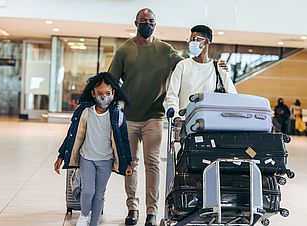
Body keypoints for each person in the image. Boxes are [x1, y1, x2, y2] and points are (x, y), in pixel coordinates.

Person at [108, 9, 228, 226]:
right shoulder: (124, 50)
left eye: (151, 21)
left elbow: (192, 66)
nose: (147, 25)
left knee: (152, 163)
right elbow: (112, 82)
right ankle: (132, 208)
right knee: (130, 164)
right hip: (130, 117)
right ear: (136, 23)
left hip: (154, 116)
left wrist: (218, 67)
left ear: (156, 24)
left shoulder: (165, 50)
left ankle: (151, 212)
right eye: (143, 21)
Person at [53, 72, 133, 226]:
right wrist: (61, 156)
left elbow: (124, 141)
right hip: (87, 158)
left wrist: (128, 163)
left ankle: (94, 223)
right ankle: (84, 216)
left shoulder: (118, 115)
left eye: (108, 93)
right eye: (100, 94)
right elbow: (72, 135)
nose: (104, 97)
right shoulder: (84, 112)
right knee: (88, 191)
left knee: (99, 194)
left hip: (106, 160)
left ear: (114, 93)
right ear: (93, 93)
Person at [166, 25, 237, 120]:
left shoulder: (218, 68)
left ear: (206, 42)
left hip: (210, 123)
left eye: (195, 39)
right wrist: (176, 116)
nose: (191, 43)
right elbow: (172, 95)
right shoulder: (182, 65)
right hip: (185, 122)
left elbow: (233, 96)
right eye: (190, 40)